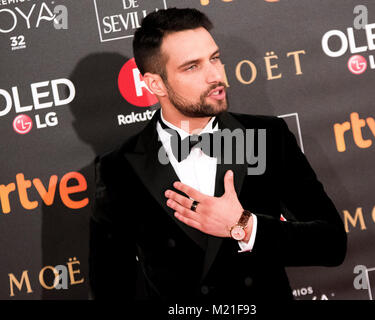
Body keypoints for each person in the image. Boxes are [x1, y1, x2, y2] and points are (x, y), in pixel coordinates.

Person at [89, 7, 347, 302]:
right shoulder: (118, 168)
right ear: (155, 84)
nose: (216, 75)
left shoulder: (266, 137)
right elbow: (109, 284)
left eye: (214, 58)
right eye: (192, 67)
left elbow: (332, 244)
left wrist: (244, 225)